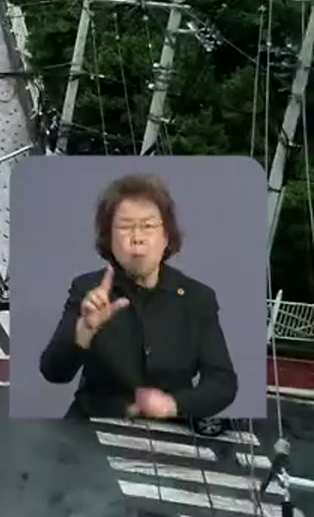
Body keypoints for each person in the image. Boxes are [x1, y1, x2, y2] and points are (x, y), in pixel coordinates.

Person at [37, 173, 238, 422]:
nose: (137, 238)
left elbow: (223, 382)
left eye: (149, 226)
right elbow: (53, 372)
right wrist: (83, 331)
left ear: (167, 237)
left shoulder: (198, 299)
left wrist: (173, 405)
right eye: (124, 227)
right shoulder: (87, 288)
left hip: (172, 433)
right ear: (109, 240)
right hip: (94, 428)